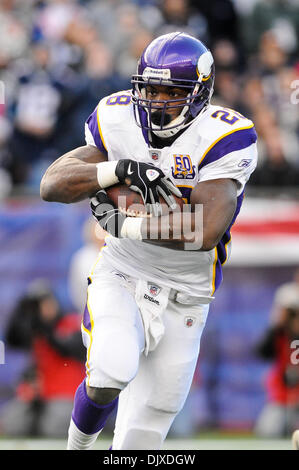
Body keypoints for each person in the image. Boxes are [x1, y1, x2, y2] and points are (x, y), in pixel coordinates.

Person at [40, 31, 258, 450]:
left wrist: (129, 224)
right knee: (109, 370)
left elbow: (207, 229)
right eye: (150, 89)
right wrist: (118, 169)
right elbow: (52, 185)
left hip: (189, 292)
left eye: (169, 92)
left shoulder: (225, 135)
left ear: (199, 95)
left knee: (142, 439)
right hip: (123, 270)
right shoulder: (116, 117)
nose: (157, 102)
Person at [1, 280, 85, 438]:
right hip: (37, 394)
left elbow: (67, 348)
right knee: (13, 425)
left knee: (53, 428)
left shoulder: (71, 323)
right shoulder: (33, 328)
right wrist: (21, 310)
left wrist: (44, 327)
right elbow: (12, 339)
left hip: (66, 394)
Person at [254, 270, 299, 438]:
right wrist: (276, 326)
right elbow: (262, 353)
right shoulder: (279, 334)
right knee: (269, 431)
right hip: (282, 396)